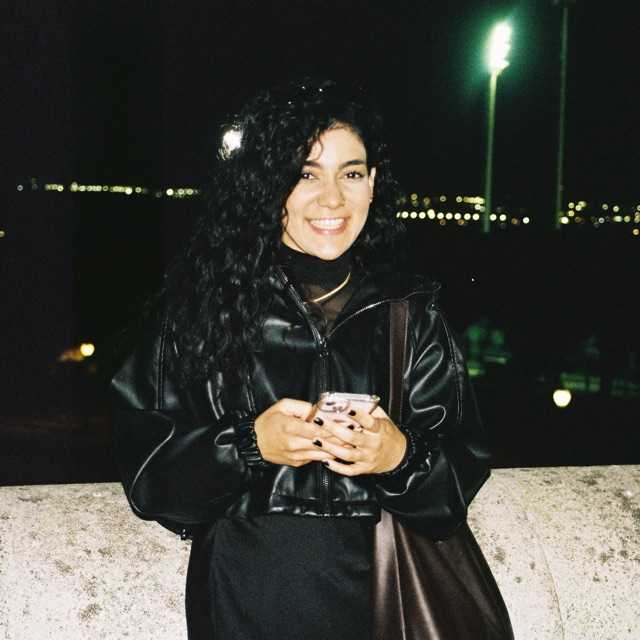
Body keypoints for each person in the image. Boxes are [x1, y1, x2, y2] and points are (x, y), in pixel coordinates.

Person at [111, 78, 499, 639]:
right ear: (269, 185)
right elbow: (151, 482)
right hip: (244, 605)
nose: (332, 198)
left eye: (351, 173)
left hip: (385, 607)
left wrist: (398, 456)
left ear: (373, 184)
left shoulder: (409, 315)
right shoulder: (200, 312)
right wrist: (249, 445)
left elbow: (455, 490)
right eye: (306, 174)